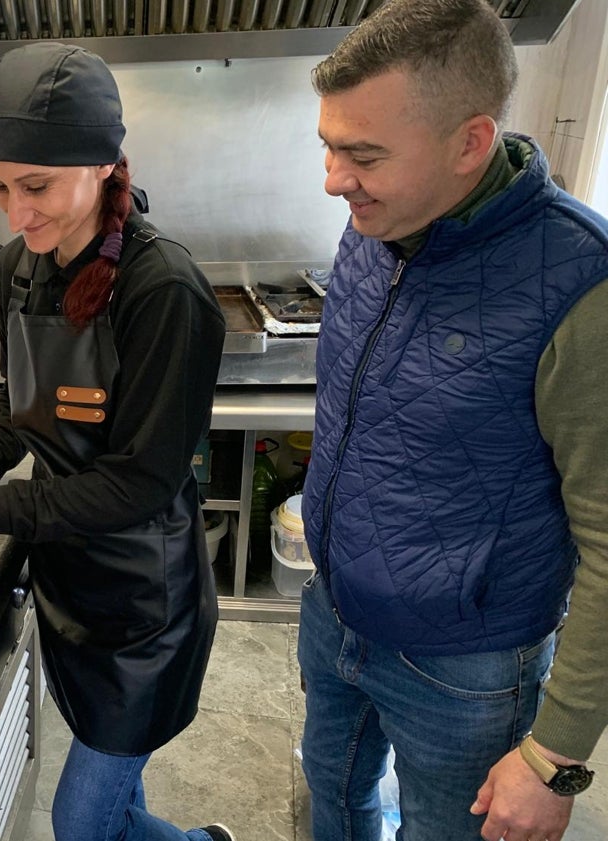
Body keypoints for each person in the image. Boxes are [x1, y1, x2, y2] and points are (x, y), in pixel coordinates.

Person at [0, 42, 233, 841]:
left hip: (146, 610)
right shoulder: (18, 269)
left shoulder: (162, 289)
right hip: (70, 586)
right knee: (113, 808)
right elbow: (18, 407)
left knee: (82, 821)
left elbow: (138, 483)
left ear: (105, 163)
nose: (14, 212)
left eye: (35, 186)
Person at [299, 1, 608, 839]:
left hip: (464, 666)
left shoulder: (582, 284)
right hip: (335, 613)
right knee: (333, 803)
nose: (334, 178)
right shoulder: (376, 221)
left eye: (362, 155)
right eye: (329, 145)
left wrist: (555, 754)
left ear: (471, 143)